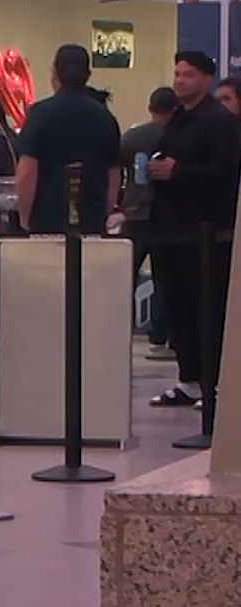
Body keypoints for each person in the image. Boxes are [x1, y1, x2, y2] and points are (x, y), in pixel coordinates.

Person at [147, 51, 241, 409]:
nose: (180, 80)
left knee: (206, 308)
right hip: (170, 231)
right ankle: (189, 380)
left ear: (205, 78)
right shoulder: (178, 120)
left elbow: (224, 174)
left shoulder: (219, 123)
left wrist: (178, 173)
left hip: (204, 234)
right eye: (177, 73)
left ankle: (213, 382)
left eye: (187, 74)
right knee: (178, 307)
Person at [15, 44, 121, 234]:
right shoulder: (105, 118)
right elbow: (113, 174)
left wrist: (24, 219)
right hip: (91, 221)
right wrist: (103, 213)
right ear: (87, 74)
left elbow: (27, 172)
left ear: (55, 73)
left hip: (47, 221)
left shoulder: (39, 114)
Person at [111, 86, 177, 356]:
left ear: (151, 108)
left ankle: (116, 333)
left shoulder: (132, 137)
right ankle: (160, 337)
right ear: (175, 109)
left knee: (124, 277)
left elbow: (116, 173)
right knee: (166, 280)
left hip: (133, 214)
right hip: (166, 217)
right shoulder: (176, 137)